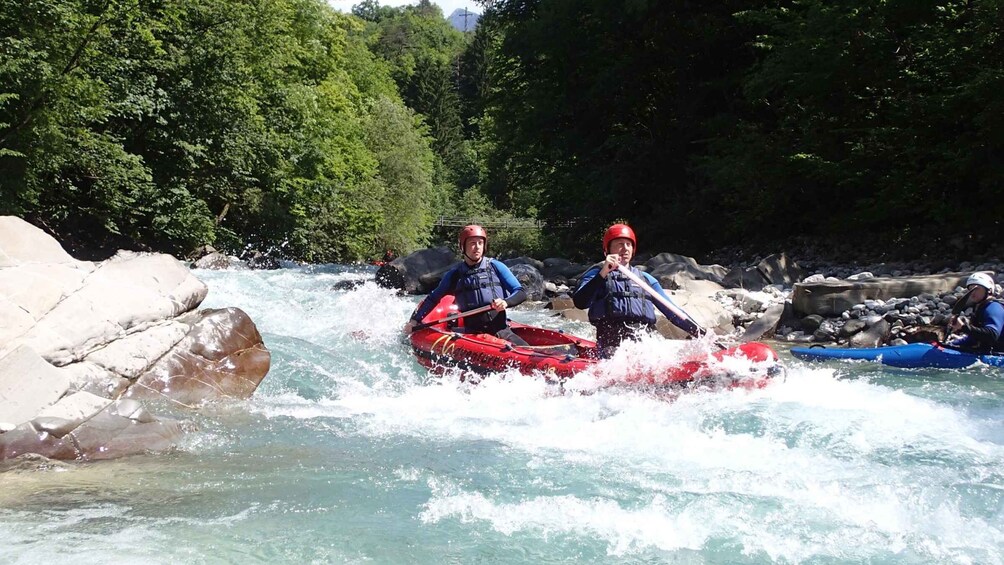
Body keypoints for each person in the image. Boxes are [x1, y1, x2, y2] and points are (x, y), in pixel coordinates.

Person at [573, 223, 704, 357]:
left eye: (628, 244)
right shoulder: (597, 274)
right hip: (610, 348)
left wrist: (702, 334)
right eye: (619, 244)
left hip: (644, 346)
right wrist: (604, 272)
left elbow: (673, 312)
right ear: (608, 249)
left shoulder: (646, 279)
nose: (625, 248)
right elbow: (580, 302)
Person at [404, 225, 529, 345]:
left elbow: (520, 292)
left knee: (526, 350)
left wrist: (506, 302)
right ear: (463, 247)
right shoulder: (455, 275)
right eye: (472, 243)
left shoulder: (496, 267)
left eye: (480, 243)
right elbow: (433, 298)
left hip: (500, 330)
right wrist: (414, 321)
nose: (477, 247)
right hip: (471, 334)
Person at [947, 272, 1004, 354]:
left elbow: (992, 335)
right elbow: (974, 338)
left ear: (989, 290)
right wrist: (950, 344)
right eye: (970, 289)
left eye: (976, 289)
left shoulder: (993, 307)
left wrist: (964, 327)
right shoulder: (979, 308)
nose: (972, 292)